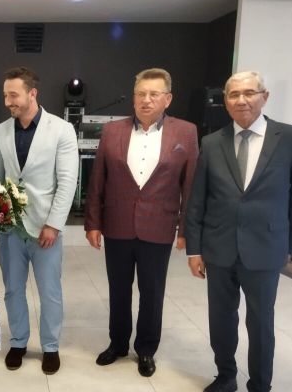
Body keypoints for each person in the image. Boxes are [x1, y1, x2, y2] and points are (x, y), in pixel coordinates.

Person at [184, 71, 292, 392]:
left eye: (249, 93)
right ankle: (225, 376)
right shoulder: (211, 143)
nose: (241, 100)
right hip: (219, 248)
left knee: (260, 322)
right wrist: (194, 249)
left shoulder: (291, 138)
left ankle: (260, 384)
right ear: (225, 101)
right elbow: (198, 199)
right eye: (233, 94)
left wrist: (288, 246)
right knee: (221, 318)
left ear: (264, 96)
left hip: (266, 248)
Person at [84, 68, 198, 376]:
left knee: (152, 292)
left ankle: (146, 349)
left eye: (153, 94)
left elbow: (190, 186)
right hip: (117, 225)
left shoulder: (186, 132)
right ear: (133, 98)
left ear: (167, 99)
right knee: (118, 289)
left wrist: (186, 230)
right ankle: (118, 343)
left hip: (159, 227)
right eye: (140, 94)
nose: (146, 100)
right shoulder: (112, 131)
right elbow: (98, 180)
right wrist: (93, 222)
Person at [0, 66, 78, 375]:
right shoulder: (1, 130)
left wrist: (54, 224)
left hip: (45, 228)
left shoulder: (61, 130)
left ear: (32, 93)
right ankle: (18, 341)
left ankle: (50, 346)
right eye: (5, 95)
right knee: (13, 290)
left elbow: (67, 182)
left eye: (13, 95)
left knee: (49, 291)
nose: (7, 102)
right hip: (11, 228)